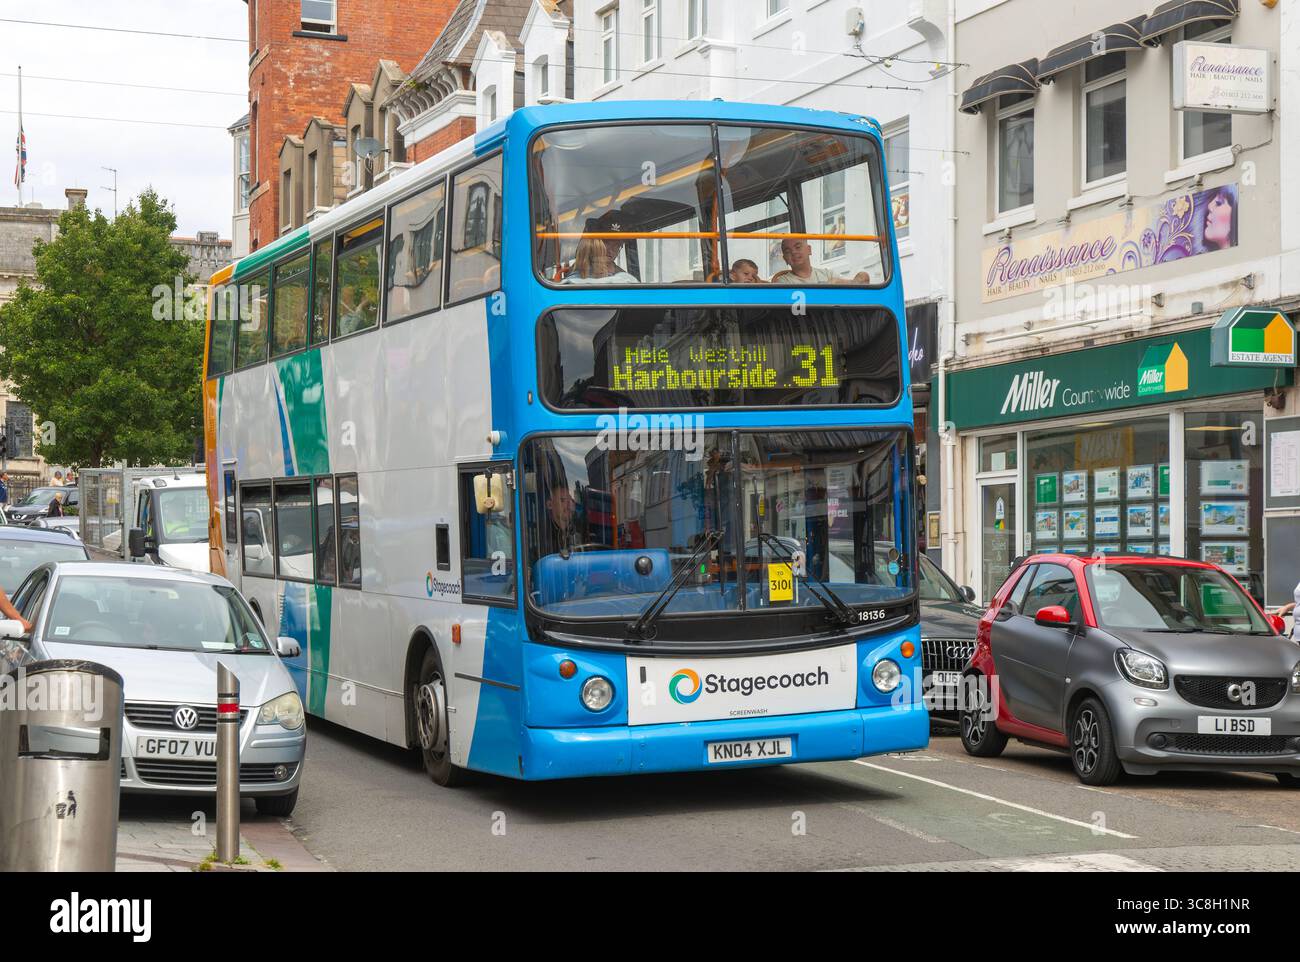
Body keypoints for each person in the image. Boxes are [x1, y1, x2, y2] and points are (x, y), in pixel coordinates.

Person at [563, 214, 638, 284]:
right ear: (595, 244)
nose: (610, 249)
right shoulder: (580, 272)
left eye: (616, 245)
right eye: (606, 243)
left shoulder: (625, 278)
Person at [770, 238, 870, 285]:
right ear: (785, 259)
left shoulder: (827, 274)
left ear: (809, 250)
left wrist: (859, 278)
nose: (793, 252)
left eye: (798, 247)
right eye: (787, 251)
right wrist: (830, 285)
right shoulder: (783, 282)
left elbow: (861, 281)